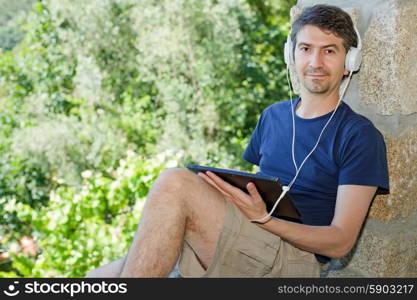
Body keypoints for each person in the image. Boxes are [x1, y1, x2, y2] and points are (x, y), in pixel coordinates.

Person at [86, 4, 389, 278]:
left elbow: (340, 242)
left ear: (349, 61)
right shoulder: (273, 117)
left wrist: (265, 220)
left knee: (175, 183)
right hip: (251, 239)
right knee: (97, 280)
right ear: (291, 55)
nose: (315, 62)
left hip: (295, 261)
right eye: (306, 48)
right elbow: (260, 190)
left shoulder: (359, 136)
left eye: (329, 51)